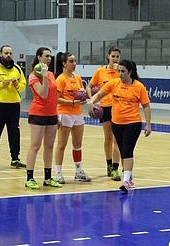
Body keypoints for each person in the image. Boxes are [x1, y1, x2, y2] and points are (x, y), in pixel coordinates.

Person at [89, 59, 151, 193]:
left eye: (123, 71)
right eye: (119, 71)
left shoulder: (139, 87)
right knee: (123, 151)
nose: (120, 74)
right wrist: (92, 102)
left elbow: (146, 106)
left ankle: (126, 180)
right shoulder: (114, 83)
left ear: (130, 72)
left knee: (127, 150)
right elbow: (99, 94)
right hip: (116, 122)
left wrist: (148, 124)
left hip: (132, 123)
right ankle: (130, 177)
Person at [25, 47, 63, 190]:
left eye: (50, 56)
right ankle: (29, 178)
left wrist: (57, 114)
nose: (49, 59)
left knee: (49, 146)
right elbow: (44, 94)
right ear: (39, 58)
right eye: (46, 56)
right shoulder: (33, 76)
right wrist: (45, 76)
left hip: (51, 114)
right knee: (35, 146)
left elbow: (54, 97)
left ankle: (48, 178)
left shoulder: (51, 74)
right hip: (38, 114)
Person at [54, 52, 91, 183]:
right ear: (64, 63)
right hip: (64, 113)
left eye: (75, 61)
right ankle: (58, 173)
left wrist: (84, 98)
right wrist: (72, 102)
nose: (74, 64)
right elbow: (56, 99)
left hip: (78, 114)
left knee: (77, 144)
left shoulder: (78, 78)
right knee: (61, 145)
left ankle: (78, 171)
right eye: (71, 61)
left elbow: (80, 94)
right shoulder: (60, 79)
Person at [87, 46, 122, 181]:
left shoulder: (121, 71)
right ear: (108, 57)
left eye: (117, 56)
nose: (115, 59)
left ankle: (115, 168)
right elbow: (89, 86)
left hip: (118, 108)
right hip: (105, 108)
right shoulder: (100, 71)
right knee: (108, 138)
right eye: (113, 56)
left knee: (117, 140)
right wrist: (92, 100)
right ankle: (108, 165)